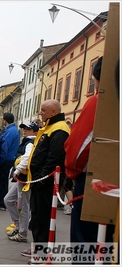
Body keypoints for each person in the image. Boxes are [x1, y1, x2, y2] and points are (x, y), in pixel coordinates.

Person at [64, 57, 114, 263]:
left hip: (97, 181)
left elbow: (78, 147)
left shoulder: (99, 101)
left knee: (86, 241)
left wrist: (72, 174)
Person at [21, 99, 70, 260]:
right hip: (39, 180)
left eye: (43, 110)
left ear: (54, 112)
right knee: (37, 215)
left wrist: (41, 177)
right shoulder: (50, 127)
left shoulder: (59, 129)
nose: (40, 113)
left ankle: (42, 253)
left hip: (46, 182)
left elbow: (55, 157)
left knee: (43, 217)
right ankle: (38, 247)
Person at [4, 121, 39, 243]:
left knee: (23, 206)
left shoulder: (30, 142)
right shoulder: (26, 141)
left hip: (25, 178)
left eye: (28, 129)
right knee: (8, 199)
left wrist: (18, 170)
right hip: (22, 178)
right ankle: (18, 225)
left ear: (34, 131)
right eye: (24, 128)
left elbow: (27, 157)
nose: (24, 130)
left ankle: (22, 233)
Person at [0, 113, 19, 211]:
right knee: (3, 181)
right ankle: (2, 202)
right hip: (10, 158)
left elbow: (5, 145)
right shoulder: (13, 130)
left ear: (5, 120)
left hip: (6, 159)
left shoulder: (10, 131)